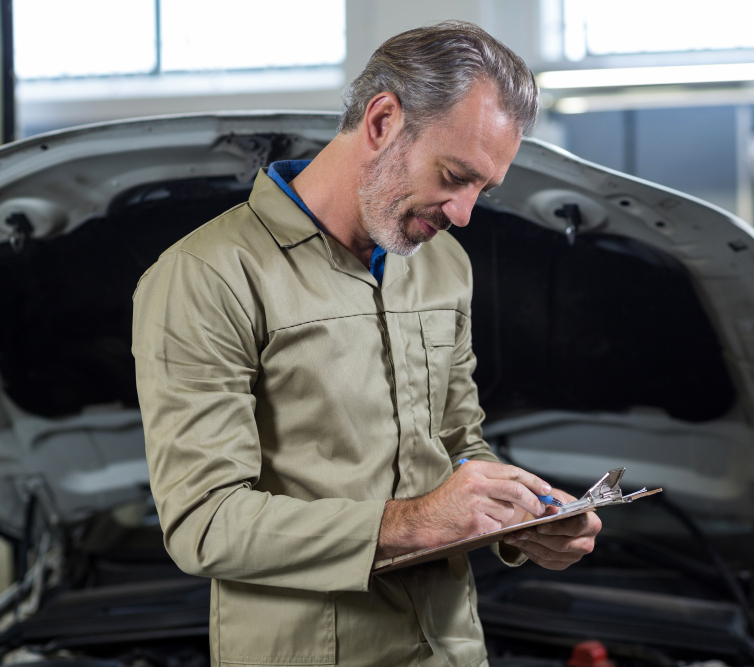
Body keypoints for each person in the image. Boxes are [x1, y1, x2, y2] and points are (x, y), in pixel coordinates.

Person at [132, 20, 602, 667]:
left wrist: (524, 518)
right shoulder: (208, 274)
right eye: (454, 174)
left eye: (482, 190)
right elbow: (204, 523)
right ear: (382, 121)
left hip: (452, 647)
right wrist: (413, 521)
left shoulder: (444, 264)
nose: (464, 213)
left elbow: (460, 443)